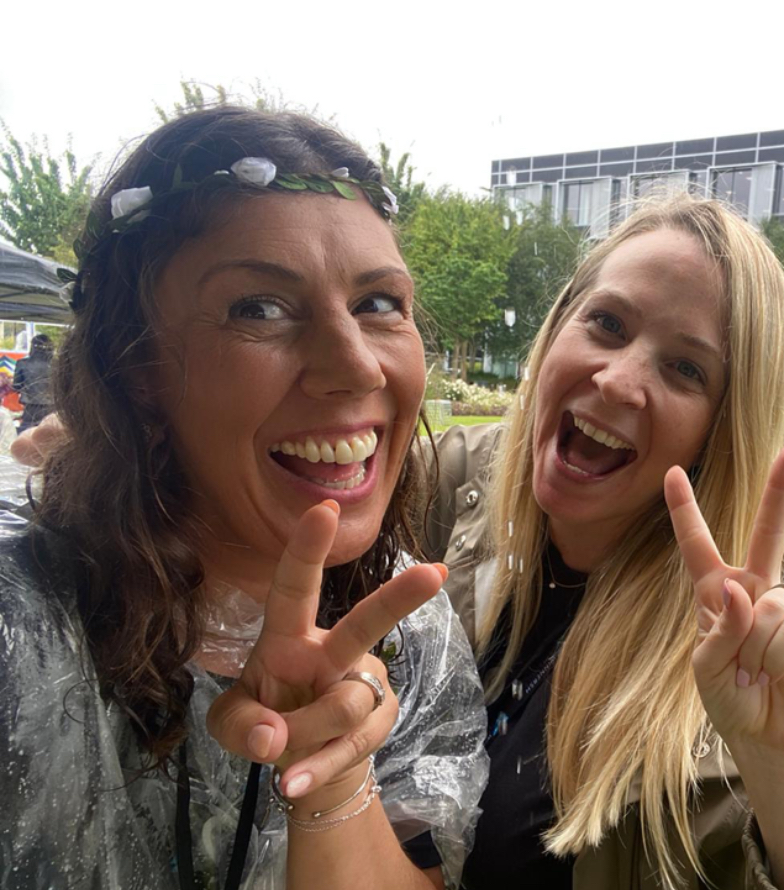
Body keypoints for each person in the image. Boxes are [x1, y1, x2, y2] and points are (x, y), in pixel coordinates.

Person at [15, 193, 784, 887]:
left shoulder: (734, 639)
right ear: (554, 337)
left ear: (723, 428)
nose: (620, 381)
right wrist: (137, 437)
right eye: (608, 324)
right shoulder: (470, 493)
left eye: (683, 367)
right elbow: (334, 450)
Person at [0, 108, 487, 888]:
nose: (357, 368)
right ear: (138, 370)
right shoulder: (18, 625)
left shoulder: (408, 632)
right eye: (258, 307)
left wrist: (328, 773)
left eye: (378, 303)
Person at [12, 333, 55, 432]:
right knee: (51, 433)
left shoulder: (23, 363)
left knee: (27, 433)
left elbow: (16, 386)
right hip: (52, 405)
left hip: (30, 405)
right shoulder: (58, 364)